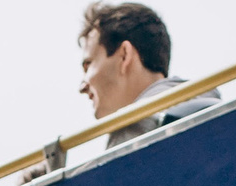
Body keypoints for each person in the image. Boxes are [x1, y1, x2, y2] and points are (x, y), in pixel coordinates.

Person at [79, 3, 217, 149]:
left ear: (124, 55)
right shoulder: (222, 116)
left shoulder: (134, 134)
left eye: (88, 65)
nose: (82, 87)